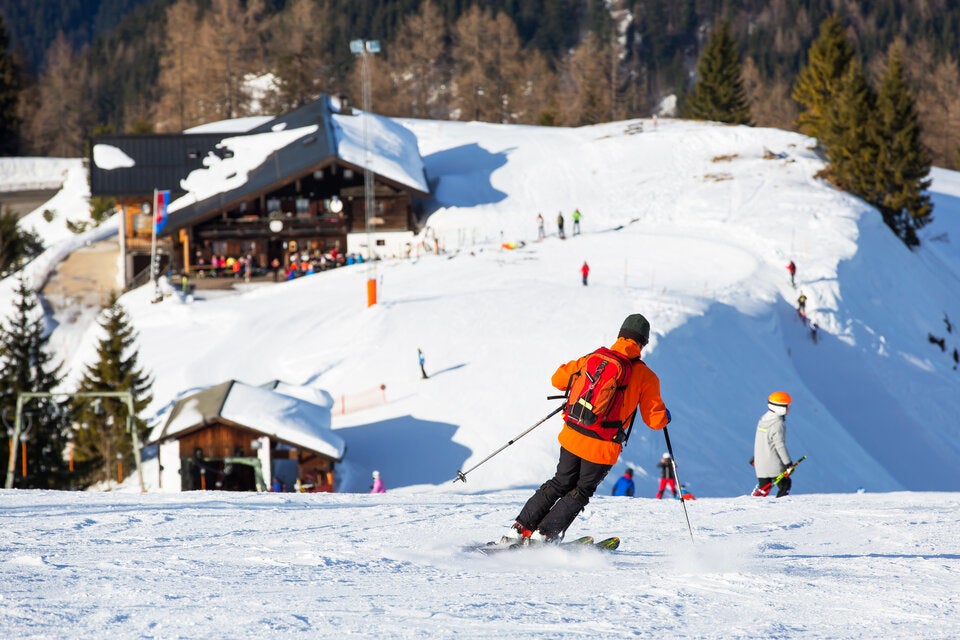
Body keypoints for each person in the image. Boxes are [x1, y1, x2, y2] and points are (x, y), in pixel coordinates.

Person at [511, 313, 671, 543]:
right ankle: (543, 536)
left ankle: (520, 529)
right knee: (580, 491)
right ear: (643, 343)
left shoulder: (595, 357)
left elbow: (557, 379)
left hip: (573, 434)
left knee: (559, 482)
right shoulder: (646, 376)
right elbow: (655, 421)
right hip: (602, 446)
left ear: (620, 335)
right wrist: (665, 416)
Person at [753, 391, 794, 498]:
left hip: (760, 461)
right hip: (773, 462)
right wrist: (788, 463)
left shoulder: (763, 419)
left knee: (764, 488)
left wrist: (755, 457)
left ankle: (754, 507)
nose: (789, 409)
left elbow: (761, 441)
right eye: (787, 406)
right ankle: (780, 508)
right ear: (780, 408)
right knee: (785, 484)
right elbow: (780, 445)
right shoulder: (778, 423)